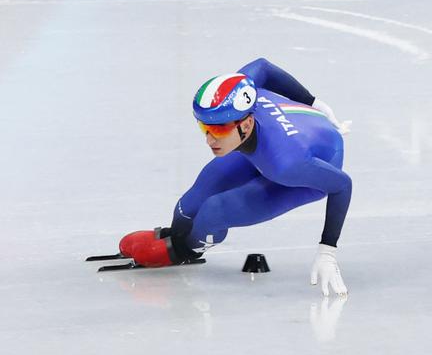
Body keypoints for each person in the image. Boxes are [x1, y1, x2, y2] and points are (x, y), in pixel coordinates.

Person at [115, 59, 352, 294]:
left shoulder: (286, 163)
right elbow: (262, 66)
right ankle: (179, 237)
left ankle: (186, 250)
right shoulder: (240, 92)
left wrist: (327, 250)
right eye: (203, 127)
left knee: (214, 211)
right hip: (274, 139)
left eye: (218, 130)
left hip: (307, 168)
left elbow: (342, 185)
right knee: (187, 207)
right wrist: (313, 101)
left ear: (246, 125)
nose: (208, 139)